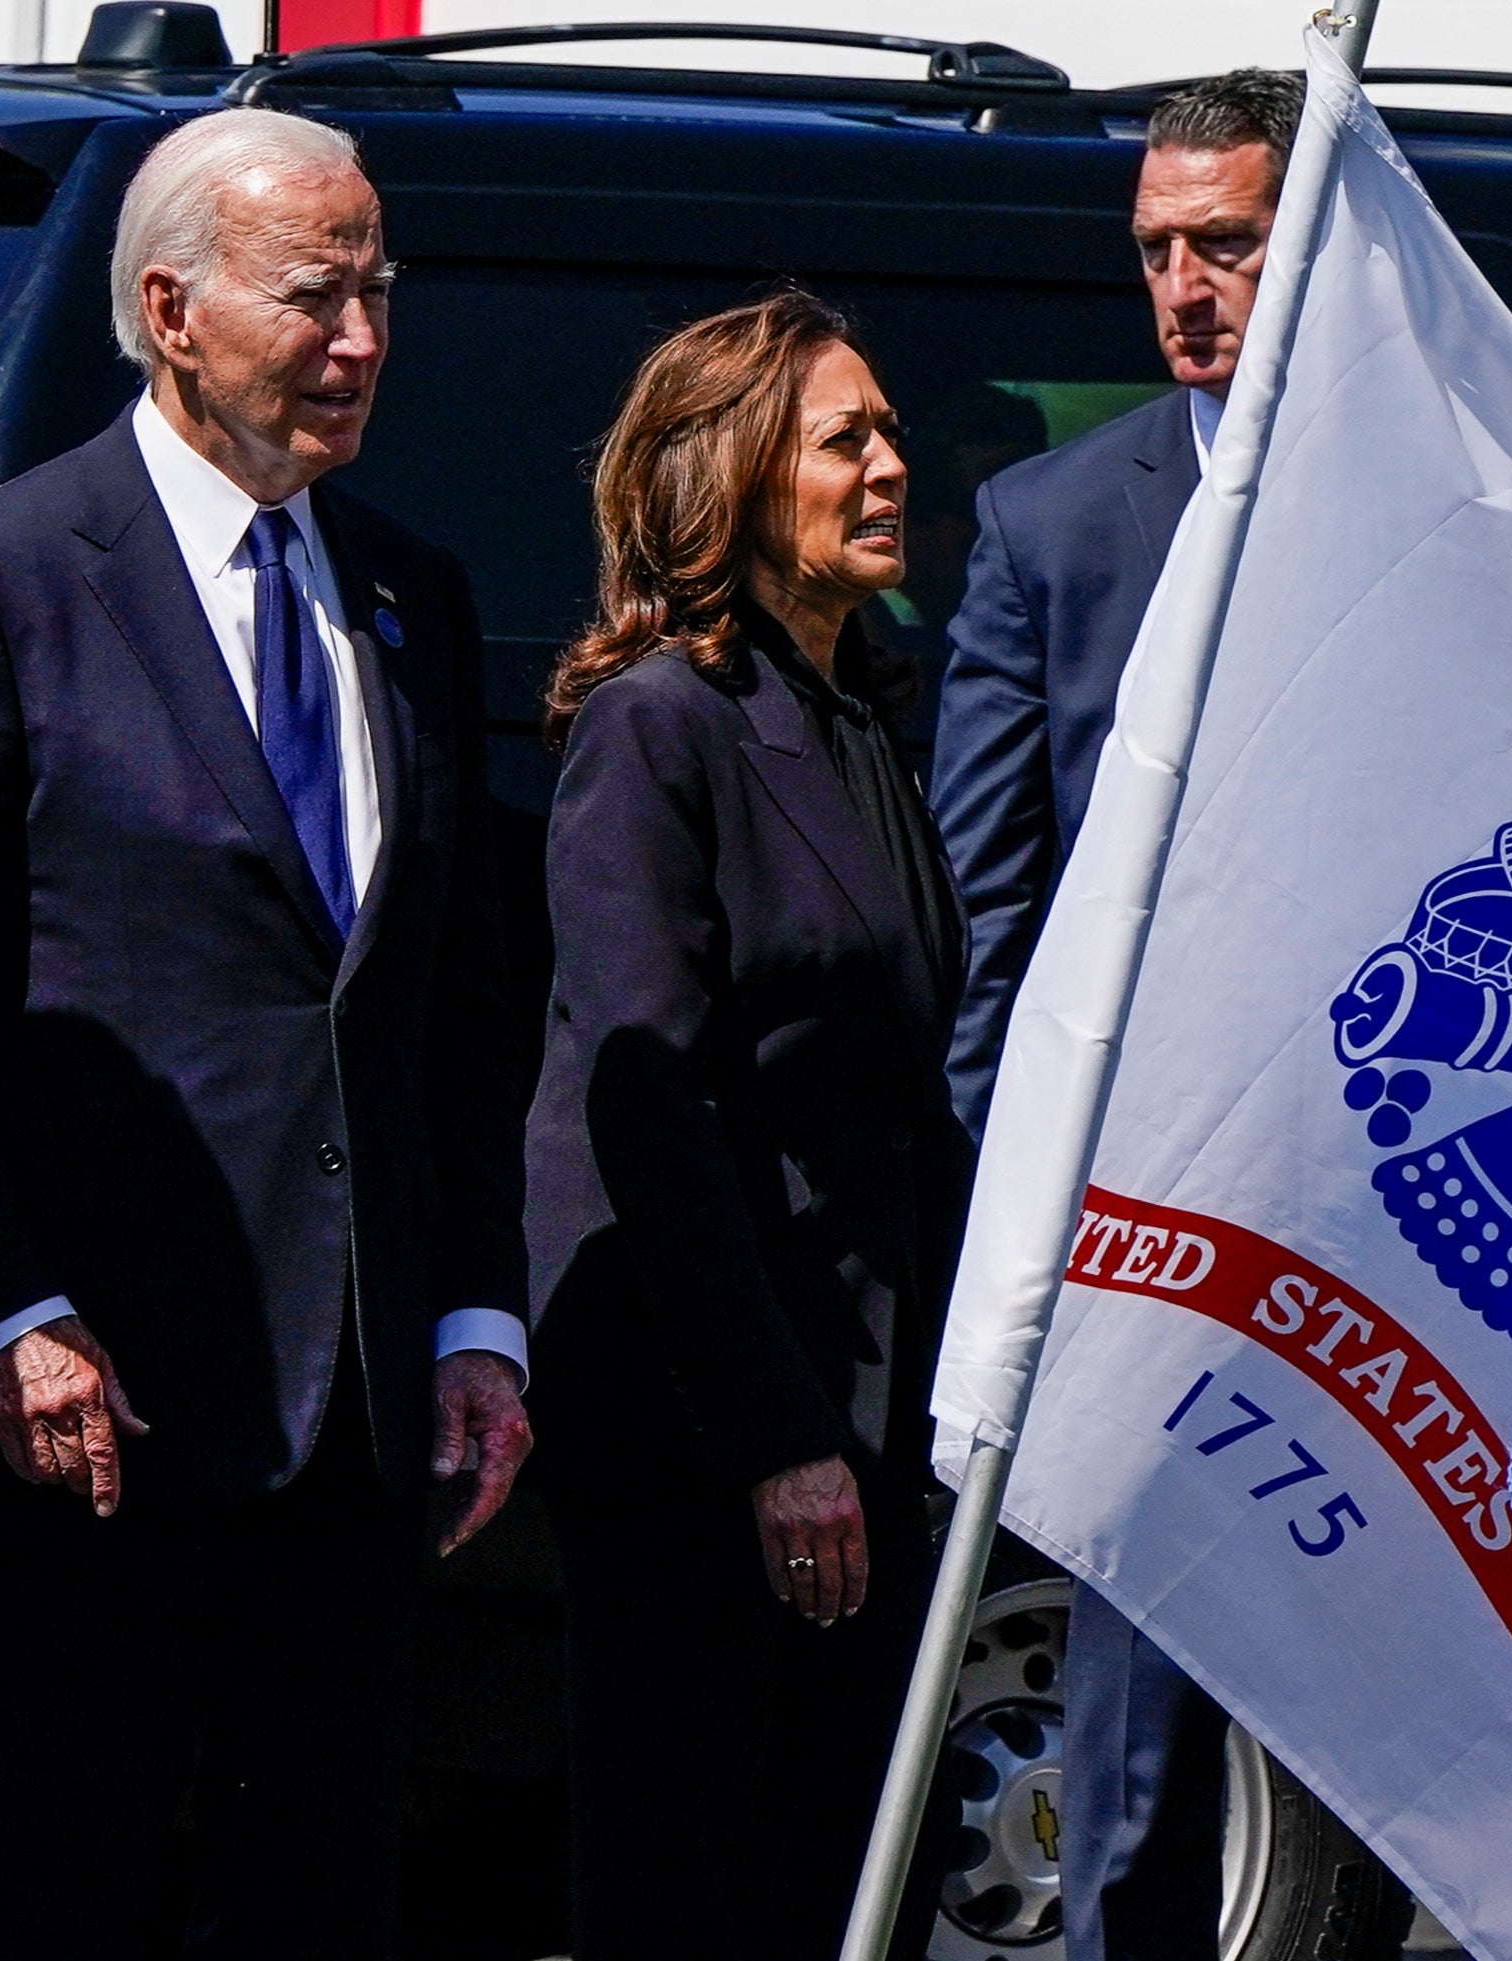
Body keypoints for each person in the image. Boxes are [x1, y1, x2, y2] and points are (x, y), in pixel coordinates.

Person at [0, 107, 532, 1959]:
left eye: (382, 290)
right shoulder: (1, 580)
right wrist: (7, 1310)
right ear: (171, 311)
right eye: (318, 295)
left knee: (319, 1898)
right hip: (98, 1422)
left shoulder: (407, 592)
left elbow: (446, 997)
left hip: (358, 1434)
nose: (365, 337)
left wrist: (469, 1312)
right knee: (82, 1895)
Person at [522, 290, 968, 1958]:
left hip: (865, 1397)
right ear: (729, 480)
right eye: (845, 436)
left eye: (889, 432)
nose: (889, 465)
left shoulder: (856, 712)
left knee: (843, 1878)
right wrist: (780, 1434)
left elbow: (896, 1091)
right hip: (710, 1421)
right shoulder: (660, 725)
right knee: (700, 1872)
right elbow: (653, 1111)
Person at [928, 68, 1306, 1960]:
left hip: (1389, 1200)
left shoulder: (1463, 503)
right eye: (1156, 248)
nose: (1183, 285)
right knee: (1140, 1760)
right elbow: (992, 913)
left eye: (1224, 242)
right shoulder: (1056, 525)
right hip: (1151, 1229)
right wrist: (1050, 1207)